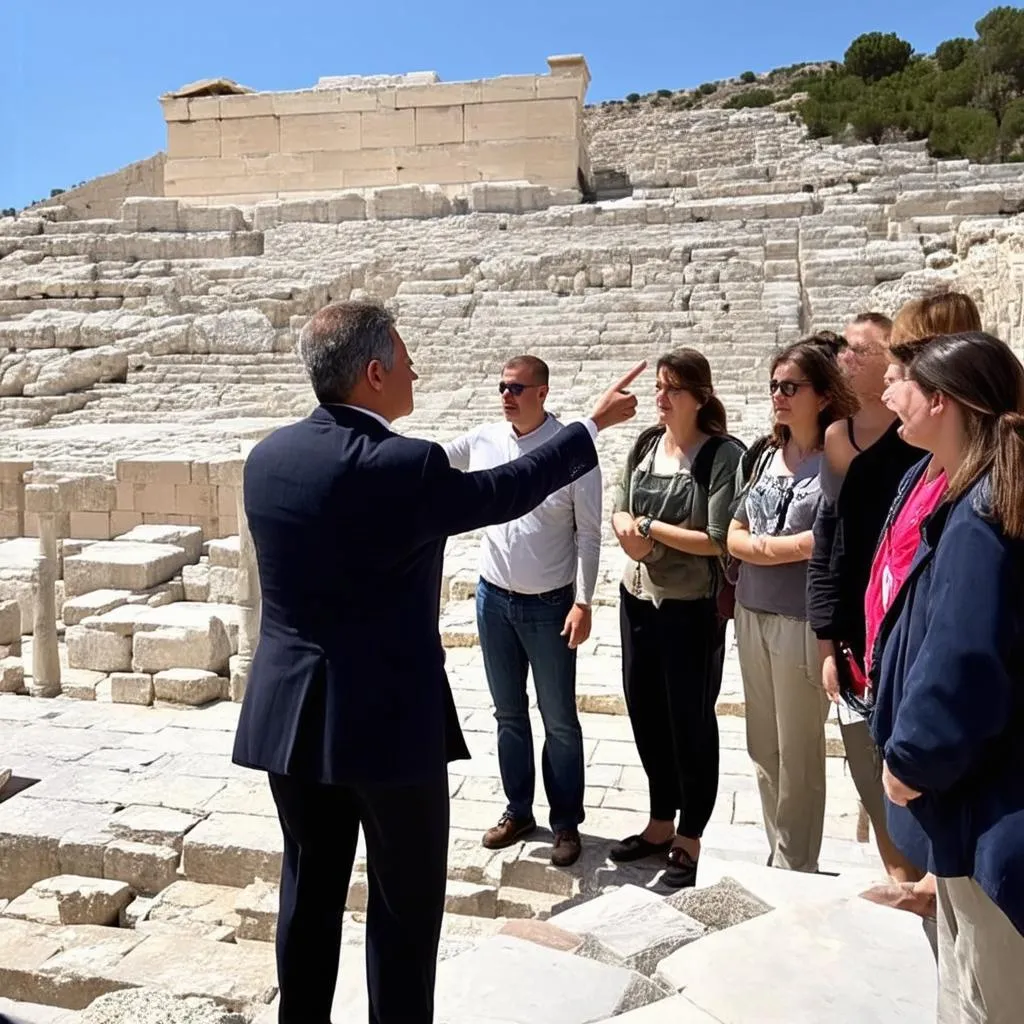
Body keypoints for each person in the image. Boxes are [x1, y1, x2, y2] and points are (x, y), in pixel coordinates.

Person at [232, 300, 644, 1024]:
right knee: (403, 907)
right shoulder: (401, 464)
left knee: (308, 888)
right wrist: (589, 427)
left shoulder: (269, 458)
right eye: (404, 355)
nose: (416, 367)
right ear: (373, 372)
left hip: (289, 715)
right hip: (389, 723)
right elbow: (504, 490)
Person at [869, 332, 1024, 1022]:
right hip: (982, 800)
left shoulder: (980, 514)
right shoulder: (984, 494)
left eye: (906, 384)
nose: (890, 397)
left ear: (943, 401)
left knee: (983, 995)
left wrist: (911, 761)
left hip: (985, 805)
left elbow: (964, 656)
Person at [443, 355, 602, 868]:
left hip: (549, 603)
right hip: (493, 598)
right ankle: (518, 810)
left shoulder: (573, 448)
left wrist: (583, 600)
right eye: (501, 387)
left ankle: (566, 823)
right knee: (507, 713)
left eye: (516, 388)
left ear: (543, 392)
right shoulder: (485, 439)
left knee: (558, 719)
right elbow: (437, 461)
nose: (506, 395)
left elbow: (589, 533)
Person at [856, 291, 984, 919]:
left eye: (904, 367)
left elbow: (962, 641)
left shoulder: (979, 499)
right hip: (900, 692)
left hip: (938, 742)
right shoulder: (924, 469)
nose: (889, 382)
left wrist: (915, 752)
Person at [608, 349, 744, 888]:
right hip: (637, 596)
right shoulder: (646, 445)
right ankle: (660, 820)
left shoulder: (721, 456)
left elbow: (716, 540)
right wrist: (630, 529)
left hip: (689, 607)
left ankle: (691, 832)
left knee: (689, 717)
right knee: (643, 706)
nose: (659, 398)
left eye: (671, 390)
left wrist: (648, 530)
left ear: (699, 396)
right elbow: (619, 505)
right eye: (659, 388)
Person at [727, 338, 858, 872]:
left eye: (790, 387)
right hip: (750, 612)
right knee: (763, 745)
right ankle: (777, 851)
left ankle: (796, 864)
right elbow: (733, 531)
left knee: (799, 750)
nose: (778, 396)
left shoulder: (837, 458)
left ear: (823, 395)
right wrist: (773, 548)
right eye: (774, 386)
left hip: (801, 621)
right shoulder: (764, 454)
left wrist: (763, 548)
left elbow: (827, 543)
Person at [806, 312, 922, 883]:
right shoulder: (836, 437)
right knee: (866, 773)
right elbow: (831, 541)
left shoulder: (921, 447)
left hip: (906, 634)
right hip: (856, 635)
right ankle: (898, 879)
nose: (844, 358)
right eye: (843, 350)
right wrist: (825, 638)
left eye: (858, 349)